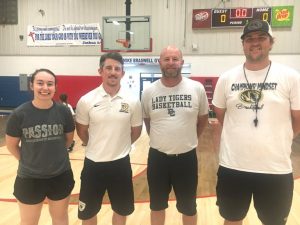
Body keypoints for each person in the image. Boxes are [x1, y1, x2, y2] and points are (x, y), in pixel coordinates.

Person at [212, 19, 300, 225]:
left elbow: (298, 119)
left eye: (261, 38)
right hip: (233, 167)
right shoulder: (227, 78)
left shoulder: (291, 77)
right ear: (243, 44)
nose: (255, 43)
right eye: (249, 39)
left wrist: (278, 138)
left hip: (275, 169)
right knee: (232, 219)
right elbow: (222, 117)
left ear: (271, 42)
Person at [141, 45, 209, 225]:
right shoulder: (148, 92)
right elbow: (148, 122)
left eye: (175, 59)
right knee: (156, 206)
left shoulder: (197, 88)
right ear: (159, 63)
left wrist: (188, 139)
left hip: (186, 158)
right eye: (166, 59)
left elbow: (203, 119)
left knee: (188, 207)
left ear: (182, 62)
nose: (171, 63)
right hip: (157, 158)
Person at [75, 52, 143, 225]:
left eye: (117, 69)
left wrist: (120, 145)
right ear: (100, 71)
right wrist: (96, 145)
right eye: (109, 68)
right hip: (93, 165)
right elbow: (82, 131)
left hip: (120, 164)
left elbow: (136, 130)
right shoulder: (86, 100)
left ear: (123, 73)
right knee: (88, 213)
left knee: (121, 211)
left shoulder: (133, 100)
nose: (113, 72)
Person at [5, 68, 75, 225]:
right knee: (29, 221)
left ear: (55, 87)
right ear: (31, 85)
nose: (45, 88)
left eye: (50, 84)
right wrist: (28, 161)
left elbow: (68, 140)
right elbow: (11, 145)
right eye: (40, 83)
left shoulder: (63, 112)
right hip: (29, 178)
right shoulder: (19, 114)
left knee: (61, 218)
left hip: (60, 175)